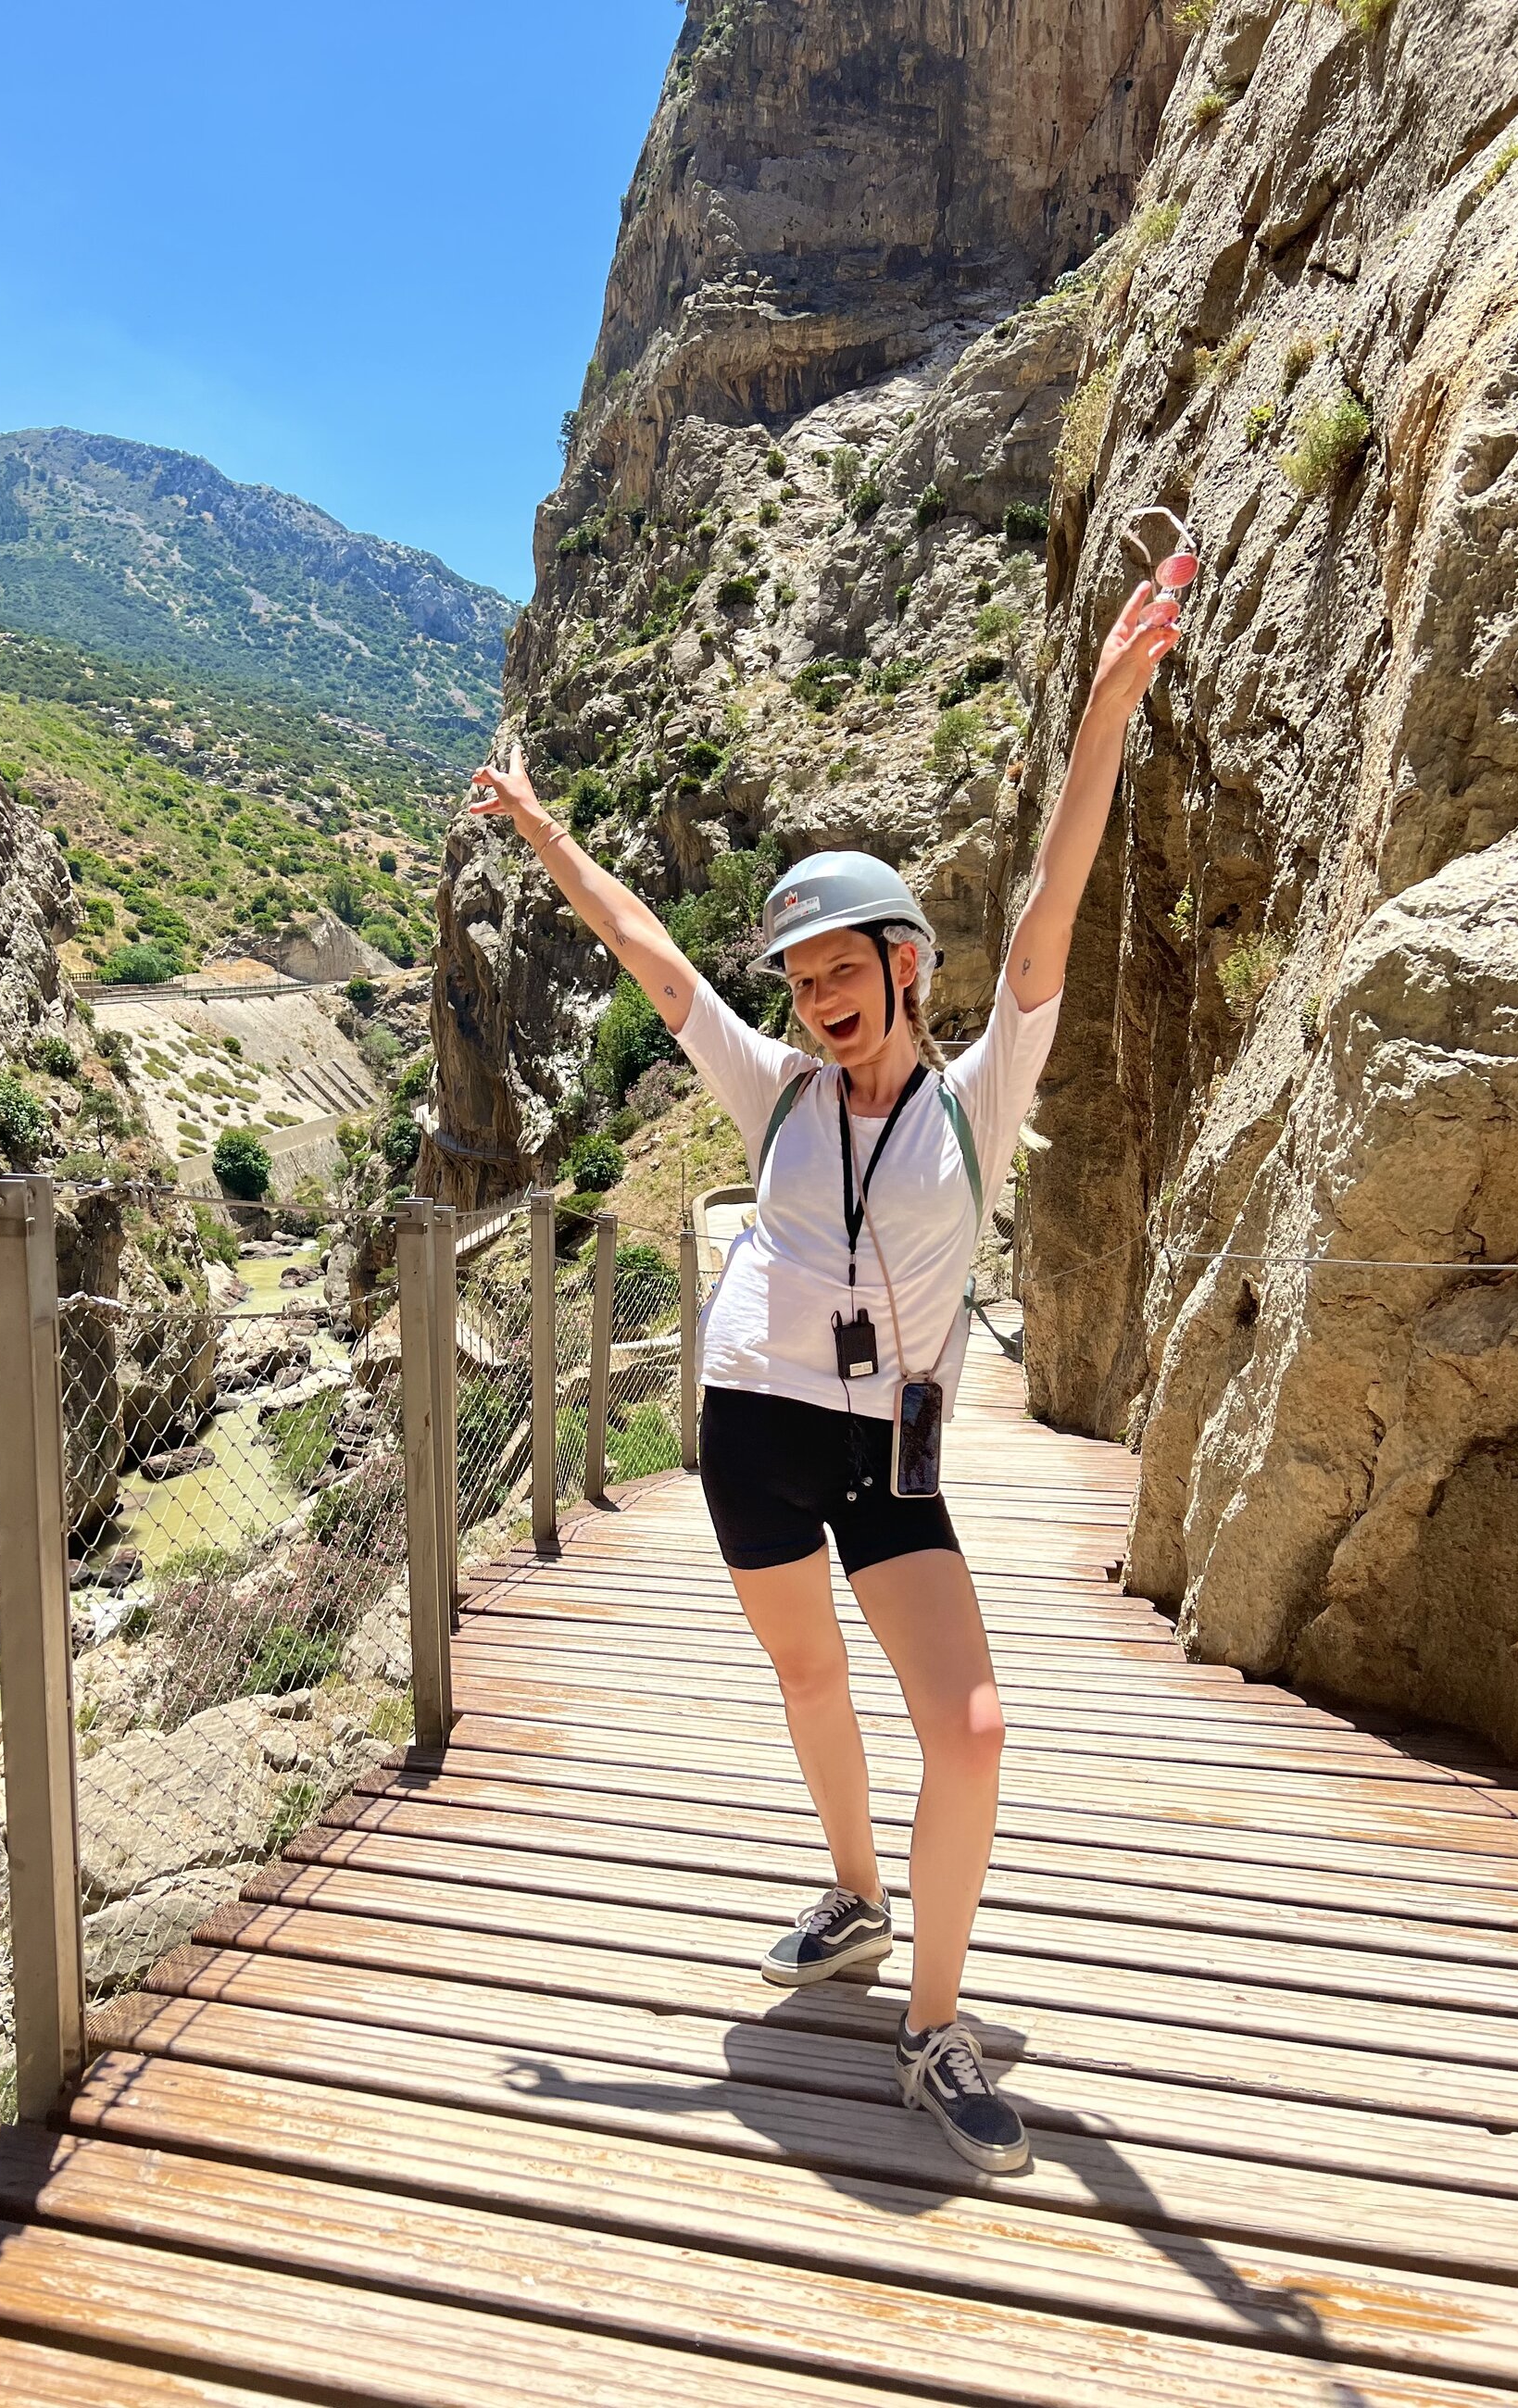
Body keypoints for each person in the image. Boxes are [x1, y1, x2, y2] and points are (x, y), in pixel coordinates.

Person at [470, 578, 1181, 2175]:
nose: (815, 996)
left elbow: (1057, 898)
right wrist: (540, 835)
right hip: (747, 1430)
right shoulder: (776, 1090)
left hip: (889, 1456)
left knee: (973, 1728)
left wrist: (1106, 708)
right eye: (795, 979)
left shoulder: (976, 1093)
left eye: (839, 967)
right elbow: (653, 964)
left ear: (905, 963)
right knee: (806, 1684)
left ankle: (934, 2031)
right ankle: (855, 1902)